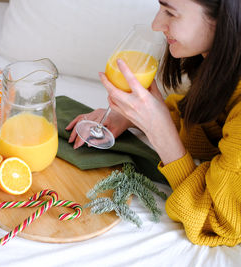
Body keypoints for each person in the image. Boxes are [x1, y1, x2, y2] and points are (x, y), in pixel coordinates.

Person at [66, 0, 241, 247]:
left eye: (170, 12)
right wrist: (133, 116)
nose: (156, 24)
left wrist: (162, 133)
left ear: (223, 20)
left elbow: (220, 220)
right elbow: (212, 124)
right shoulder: (217, 64)